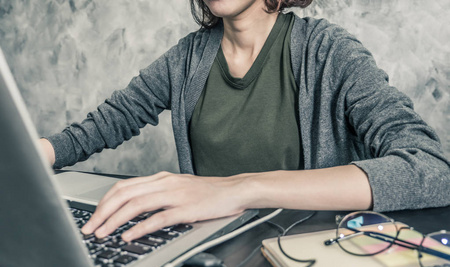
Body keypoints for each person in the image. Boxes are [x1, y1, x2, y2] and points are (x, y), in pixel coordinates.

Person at [39, 0, 450, 243]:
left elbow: (431, 169)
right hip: (210, 260)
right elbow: (113, 119)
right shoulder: (188, 58)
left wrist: (241, 189)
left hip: (308, 257)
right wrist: (37, 151)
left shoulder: (327, 51)